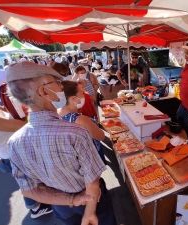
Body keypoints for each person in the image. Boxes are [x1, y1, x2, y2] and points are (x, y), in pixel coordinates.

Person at [6, 61, 116, 225]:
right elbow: (92, 182)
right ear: (44, 91)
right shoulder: (75, 133)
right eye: (56, 82)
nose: (61, 86)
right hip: (92, 202)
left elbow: (28, 190)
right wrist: (89, 212)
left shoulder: (14, 142)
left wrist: (71, 200)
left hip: (61, 207)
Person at [0, 104, 53, 219]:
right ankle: (36, 208)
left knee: (30, 181)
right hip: (12, 158)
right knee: (28, 183)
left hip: (15, 154)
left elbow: (9, 109)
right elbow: (20, 126)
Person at [58, 81, 107, 164]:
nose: (84, 94)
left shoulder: (57, 113)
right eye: (81, 93)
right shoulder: (80, 119)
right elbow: (101, 136)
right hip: (89, 158)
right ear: (73, 98)